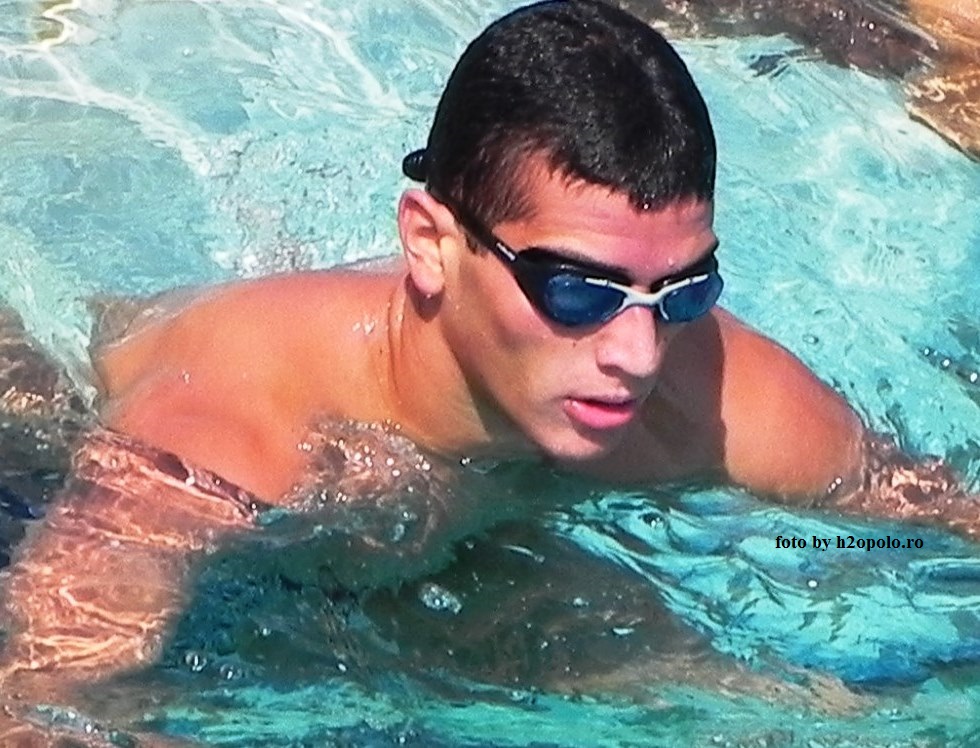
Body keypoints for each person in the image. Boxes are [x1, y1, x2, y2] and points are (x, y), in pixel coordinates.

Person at [0, 0, 976, 743]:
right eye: (577, 290)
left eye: (682, 289)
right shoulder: (220, 443)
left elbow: (932, 507)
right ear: (429, 244)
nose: (637, 353)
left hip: (464, 540)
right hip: (52, 443)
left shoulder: (706, 385)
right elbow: (36, 699)